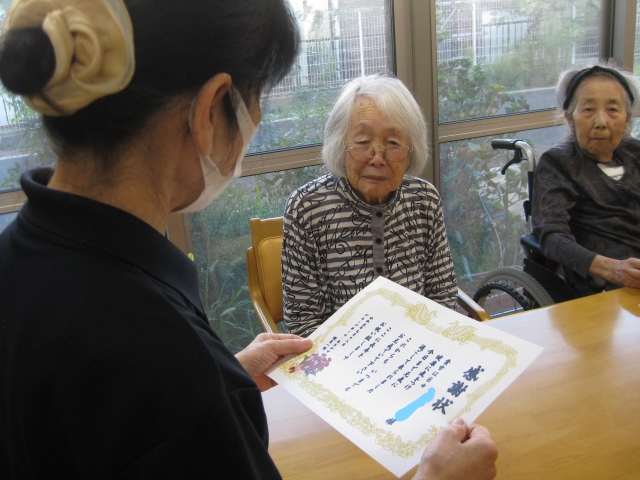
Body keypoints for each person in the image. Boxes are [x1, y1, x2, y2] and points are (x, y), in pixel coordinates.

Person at [0, 1, 496, 479]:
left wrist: (226, 374)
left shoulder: (23, 265)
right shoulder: (166, 360)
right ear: (211, 109)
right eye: (257, 98)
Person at [282, 75, 458, 338]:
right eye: (363, 141)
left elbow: (442, 295)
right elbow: (303, 323)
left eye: (393, 143)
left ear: (411, 151)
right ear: (340, 144)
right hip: (340, 356)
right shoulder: (306, 208)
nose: (377, 159)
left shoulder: (424, 200)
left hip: (418, 346)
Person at [531, 64, 640, 298]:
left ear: (627, 121)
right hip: (603, 288)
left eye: (612, 110)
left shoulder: (636, 153)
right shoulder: (558, 163)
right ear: (570, 119)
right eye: (589, 109)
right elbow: (553, 238)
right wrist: (615, 270)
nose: (601, 122)